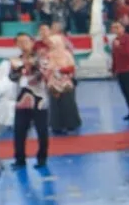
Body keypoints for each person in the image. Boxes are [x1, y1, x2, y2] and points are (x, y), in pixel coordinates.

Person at [10, 33, 49, 169]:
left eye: (26, 41)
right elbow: (12, 77)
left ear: (32, 42)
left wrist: (31, 66)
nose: (23, 45)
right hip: (22, 100)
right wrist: (19, 69)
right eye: (20, 42)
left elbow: (40, 76)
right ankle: (20, 159)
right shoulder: (16, 60)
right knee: (19, 130)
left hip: (39, 99)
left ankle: (42, 158)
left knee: (42, 130)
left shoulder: (41, 57)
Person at [45, 34, 81, 135]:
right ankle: (56, 125)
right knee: (55, 104)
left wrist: (60, 70)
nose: (51, 45)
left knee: (67, 103)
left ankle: (71, 123)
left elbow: (72, 67)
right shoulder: (49, 55)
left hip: (65, 81)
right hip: (53, 82)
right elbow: (46, 67)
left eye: (52, 43)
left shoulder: (66, 54)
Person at [108, 22, 129, 123]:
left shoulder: (127, 39)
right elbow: (114, 57)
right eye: (113, 28)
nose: (115, 29)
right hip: (120, 70)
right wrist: (113, 69)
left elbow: (128, 53)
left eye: (117, 27)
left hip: (128, 70)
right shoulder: (115, 41)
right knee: (125, 93)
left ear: (123, 28)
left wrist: (119, 46)